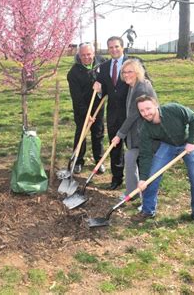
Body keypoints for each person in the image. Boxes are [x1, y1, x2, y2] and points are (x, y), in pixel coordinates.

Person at [134, 95, 194, 230]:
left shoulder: (173, 109)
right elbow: (145, 155)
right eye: (142, 111)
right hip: (168, 146)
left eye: (148, 108)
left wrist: (191, 141)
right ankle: (147, 210)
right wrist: (143, 178)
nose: (146, 113)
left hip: (189, 144)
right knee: (152, 178)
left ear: (156, 105)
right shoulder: (145, 128)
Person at [110, 59, 157, 201]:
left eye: (130, 71)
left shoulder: (141, 88)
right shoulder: (132, 86)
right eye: (124, 72)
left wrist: (119, 135)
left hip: (146, 134)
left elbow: (133, 115)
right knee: (130, 159)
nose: (126, 74)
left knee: (144, 167)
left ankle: (147, 201)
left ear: (137, 72)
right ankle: (132, 192)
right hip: (136, 133)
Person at [93, 36, 129, 190]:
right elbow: (105, 90)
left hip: (130, 112)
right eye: (110, 47)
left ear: (122, 47)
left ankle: (139, 179)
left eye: (116, 46)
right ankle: (116, 178)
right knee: (115, 146)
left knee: (134, 147)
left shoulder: (132, 64)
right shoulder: (105, 66)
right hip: (113, 113)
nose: (114, 50)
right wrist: (100, 90)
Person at [67, 42, 106, 174]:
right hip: (82, 108)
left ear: (94, 53)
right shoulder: (73, 73)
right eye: (83, 55)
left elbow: (108, 81)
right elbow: (76, 98)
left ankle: (99, 160)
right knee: (81, 134)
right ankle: (78, 161)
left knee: (98, 133)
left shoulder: (102, 63)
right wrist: (85, 114)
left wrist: (103, 88)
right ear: (79, 55)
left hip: (98, 105)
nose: (86, 57)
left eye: (88, 54)